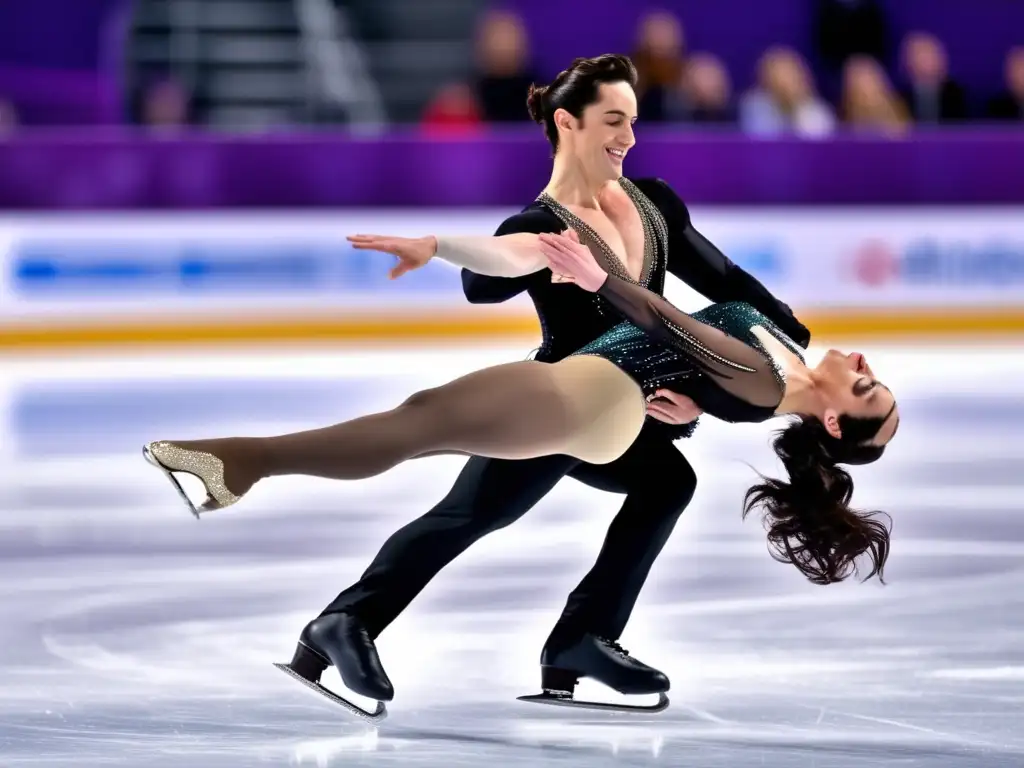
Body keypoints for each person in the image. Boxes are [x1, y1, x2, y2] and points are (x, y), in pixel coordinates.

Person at [143, 54, 823, 719]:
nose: (629, 137)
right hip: (556, 403)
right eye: (613, 120)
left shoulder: (656, 207)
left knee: (666, 483)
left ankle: (580, 640)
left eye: (633, 121)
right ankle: (344, 622)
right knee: (470, 514)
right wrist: (443, 246)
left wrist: (791, 340)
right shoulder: (540, 226)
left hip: (624, 412)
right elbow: (494, 271)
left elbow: (727, 283)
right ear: (568, 124)